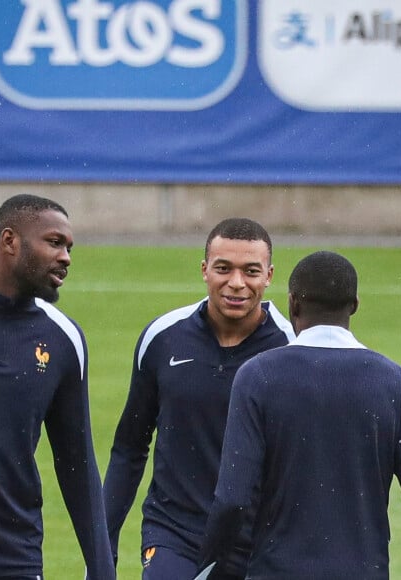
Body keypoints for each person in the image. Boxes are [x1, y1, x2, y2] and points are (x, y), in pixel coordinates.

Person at [197, 250, 401, 580]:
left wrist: (214, 571)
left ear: (293, 303)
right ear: (354, 304)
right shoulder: (394, 382)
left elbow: (233, 499)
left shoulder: (258, 376)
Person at [0, 194, 115, 580]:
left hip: (15, 559)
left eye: (69, 247)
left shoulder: (64, 339)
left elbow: (77, 463)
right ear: (10, 241)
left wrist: (102, 568)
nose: (66, 257)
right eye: (54, 242)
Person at [102, 218, 295, 579]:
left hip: (261, 542)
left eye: (251, 271)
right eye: (224, 269)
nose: (236, 283)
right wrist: (103, 543)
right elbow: (129, 448)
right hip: (175, 533)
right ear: (205, 270)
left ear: (269, 276)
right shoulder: (162, 338)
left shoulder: (292, 348)